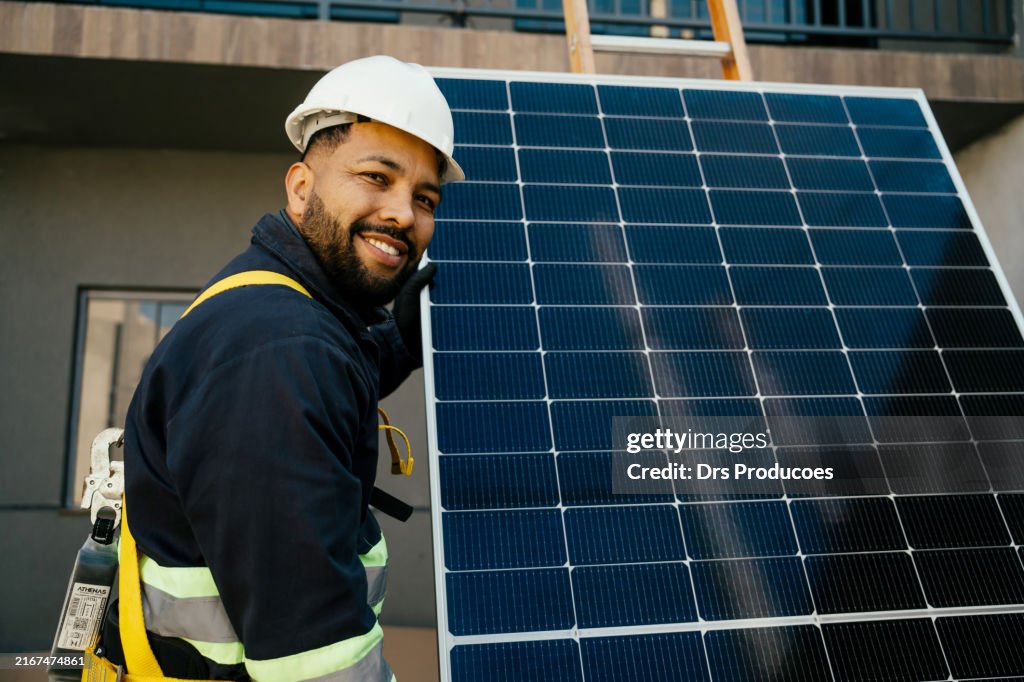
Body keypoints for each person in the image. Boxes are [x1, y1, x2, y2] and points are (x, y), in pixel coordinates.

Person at [96, 55, 464, 681]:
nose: (404, 214)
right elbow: (316, 666)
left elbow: (309, 401)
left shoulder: (276, 311)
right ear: (301, 188)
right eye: (377, 176)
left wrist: (396, 342)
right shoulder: (277, 349)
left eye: (423, 198)